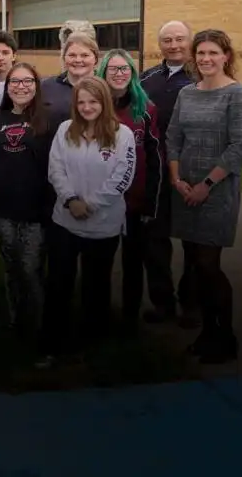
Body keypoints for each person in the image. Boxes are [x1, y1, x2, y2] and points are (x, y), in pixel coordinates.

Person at [167, 29, 242, 364]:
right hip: (185, 190)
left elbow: (237, 149)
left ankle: (225, 336)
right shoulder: (187, 94)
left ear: (226, 56)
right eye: (200, 53)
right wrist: (177, 179)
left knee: (208, 264)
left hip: (215, 192)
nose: (206, 59)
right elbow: (173, 137)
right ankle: (207, 333)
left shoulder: (238, 95)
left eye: (213, 53)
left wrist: (205, 185)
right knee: (194, 263)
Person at [39, 76, 136, 369]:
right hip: (65, 221)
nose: (86, 107)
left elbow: (122, 177)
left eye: (93, 101)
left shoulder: (123, 135)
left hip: (103, 224)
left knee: (96, 288)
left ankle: (92, 349)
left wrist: (91, 204)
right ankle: (53, 347)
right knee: (58, 285)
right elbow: (55, 168)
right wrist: (71, 200)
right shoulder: (65, 130)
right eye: (81, 102)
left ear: (104, 102)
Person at [0, 62, 52, 335]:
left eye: (27, 81)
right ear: (7, 87)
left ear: (36, 86)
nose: (21, 87)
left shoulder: (48, 120)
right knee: (11, 267)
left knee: (31, 268)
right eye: (15, 82)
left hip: (36, 210)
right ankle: (16, 320)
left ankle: (39, 326)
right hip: (3, 208)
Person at [98, 49, 162, 332]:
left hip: (134, 201)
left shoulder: (145, 109)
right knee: (101, 260)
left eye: (125, 69)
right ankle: (98, 314)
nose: (119, 74)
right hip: (101, 199)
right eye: (113, 69)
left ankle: (129, 318)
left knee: (133, 262)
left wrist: (151, 202)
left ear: (133, 74)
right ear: (103, 73)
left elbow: (155, 156)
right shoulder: (95, 106)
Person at [140, 20, 198, 326]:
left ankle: (192, 304)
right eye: (167, 40)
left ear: (189, 40)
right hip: (156, 171)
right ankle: (163, 303)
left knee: (193, 241)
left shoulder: (202, 77)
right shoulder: (147, 78)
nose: (173, 45)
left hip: (191, 172)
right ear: (159, 44)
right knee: (155, 239)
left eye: (179, 39)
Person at [40, 28, 100, 133]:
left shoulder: (106, 87)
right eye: (72, 55)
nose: (78, 60)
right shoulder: (45, 86)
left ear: (95, 59)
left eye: (85, 55)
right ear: (64, 58)